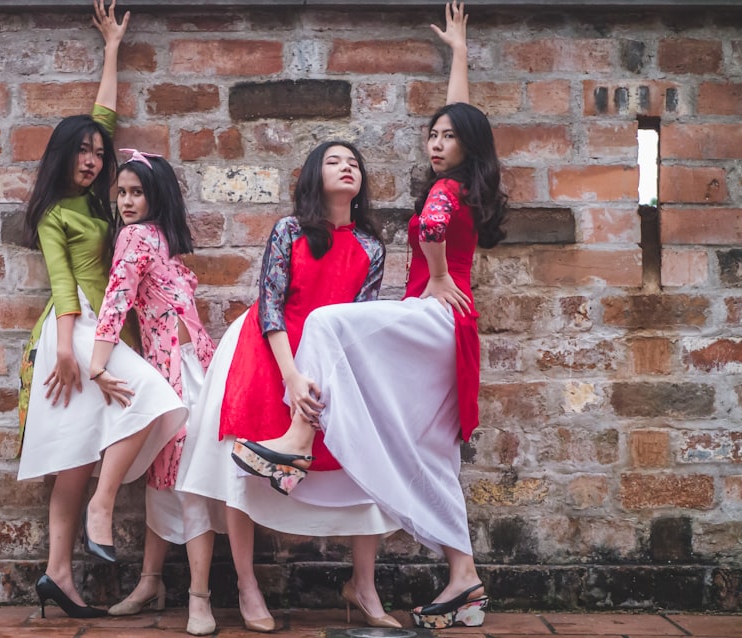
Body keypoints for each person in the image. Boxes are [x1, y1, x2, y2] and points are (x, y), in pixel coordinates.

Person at [239, 2, 509, 630]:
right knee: (435, 454)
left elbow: (435, 222)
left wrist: (436, 275)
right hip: (455, 336)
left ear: (465, 146)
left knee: (331, 324)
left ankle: (298, 442)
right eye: (431, 135)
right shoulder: (472, 180)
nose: (435, 142)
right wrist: (460, 58)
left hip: (434, 316)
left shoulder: (447, 191)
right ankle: (463, 577)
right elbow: (465, 123)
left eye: (445, 137)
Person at [177, 139, 404, 633]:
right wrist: (291, 376)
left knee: (363, 467)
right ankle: (245, 583)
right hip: (269, 349)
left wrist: (326, 377)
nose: (347, 168)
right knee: (240, 466)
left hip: (330, 361)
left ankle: (363, 584)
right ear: (311, 175)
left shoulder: (371, 247)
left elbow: (359, 322)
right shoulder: (288, 230)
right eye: (334, 161)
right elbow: (271, 303)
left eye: (354, 163)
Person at [15, 0, 187, 620]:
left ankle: (76, 546)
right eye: (81, 152)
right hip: (74, 330)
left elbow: (105, 118)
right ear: (60, 157)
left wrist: (112, 47)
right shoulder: (56, 214)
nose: (91, 159)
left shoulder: (107, 204)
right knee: (72, 461)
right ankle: (65, 564)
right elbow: (64, 284)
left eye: (96, 152)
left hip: (102, 332)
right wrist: (67, 349)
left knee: (93, 448)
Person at [87, 150, 226, 636]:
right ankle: (150, 583)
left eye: (137, 192)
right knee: (166, 477)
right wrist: (99, 363)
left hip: (188, 371)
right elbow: (116, 298)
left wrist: (98, 363)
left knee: (186, 480)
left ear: (157, 195)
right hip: (177, 370)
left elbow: (117, 298)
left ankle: (199, 597)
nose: (126, 201)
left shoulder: (154, 237)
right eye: (121, 192)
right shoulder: (141, 236)